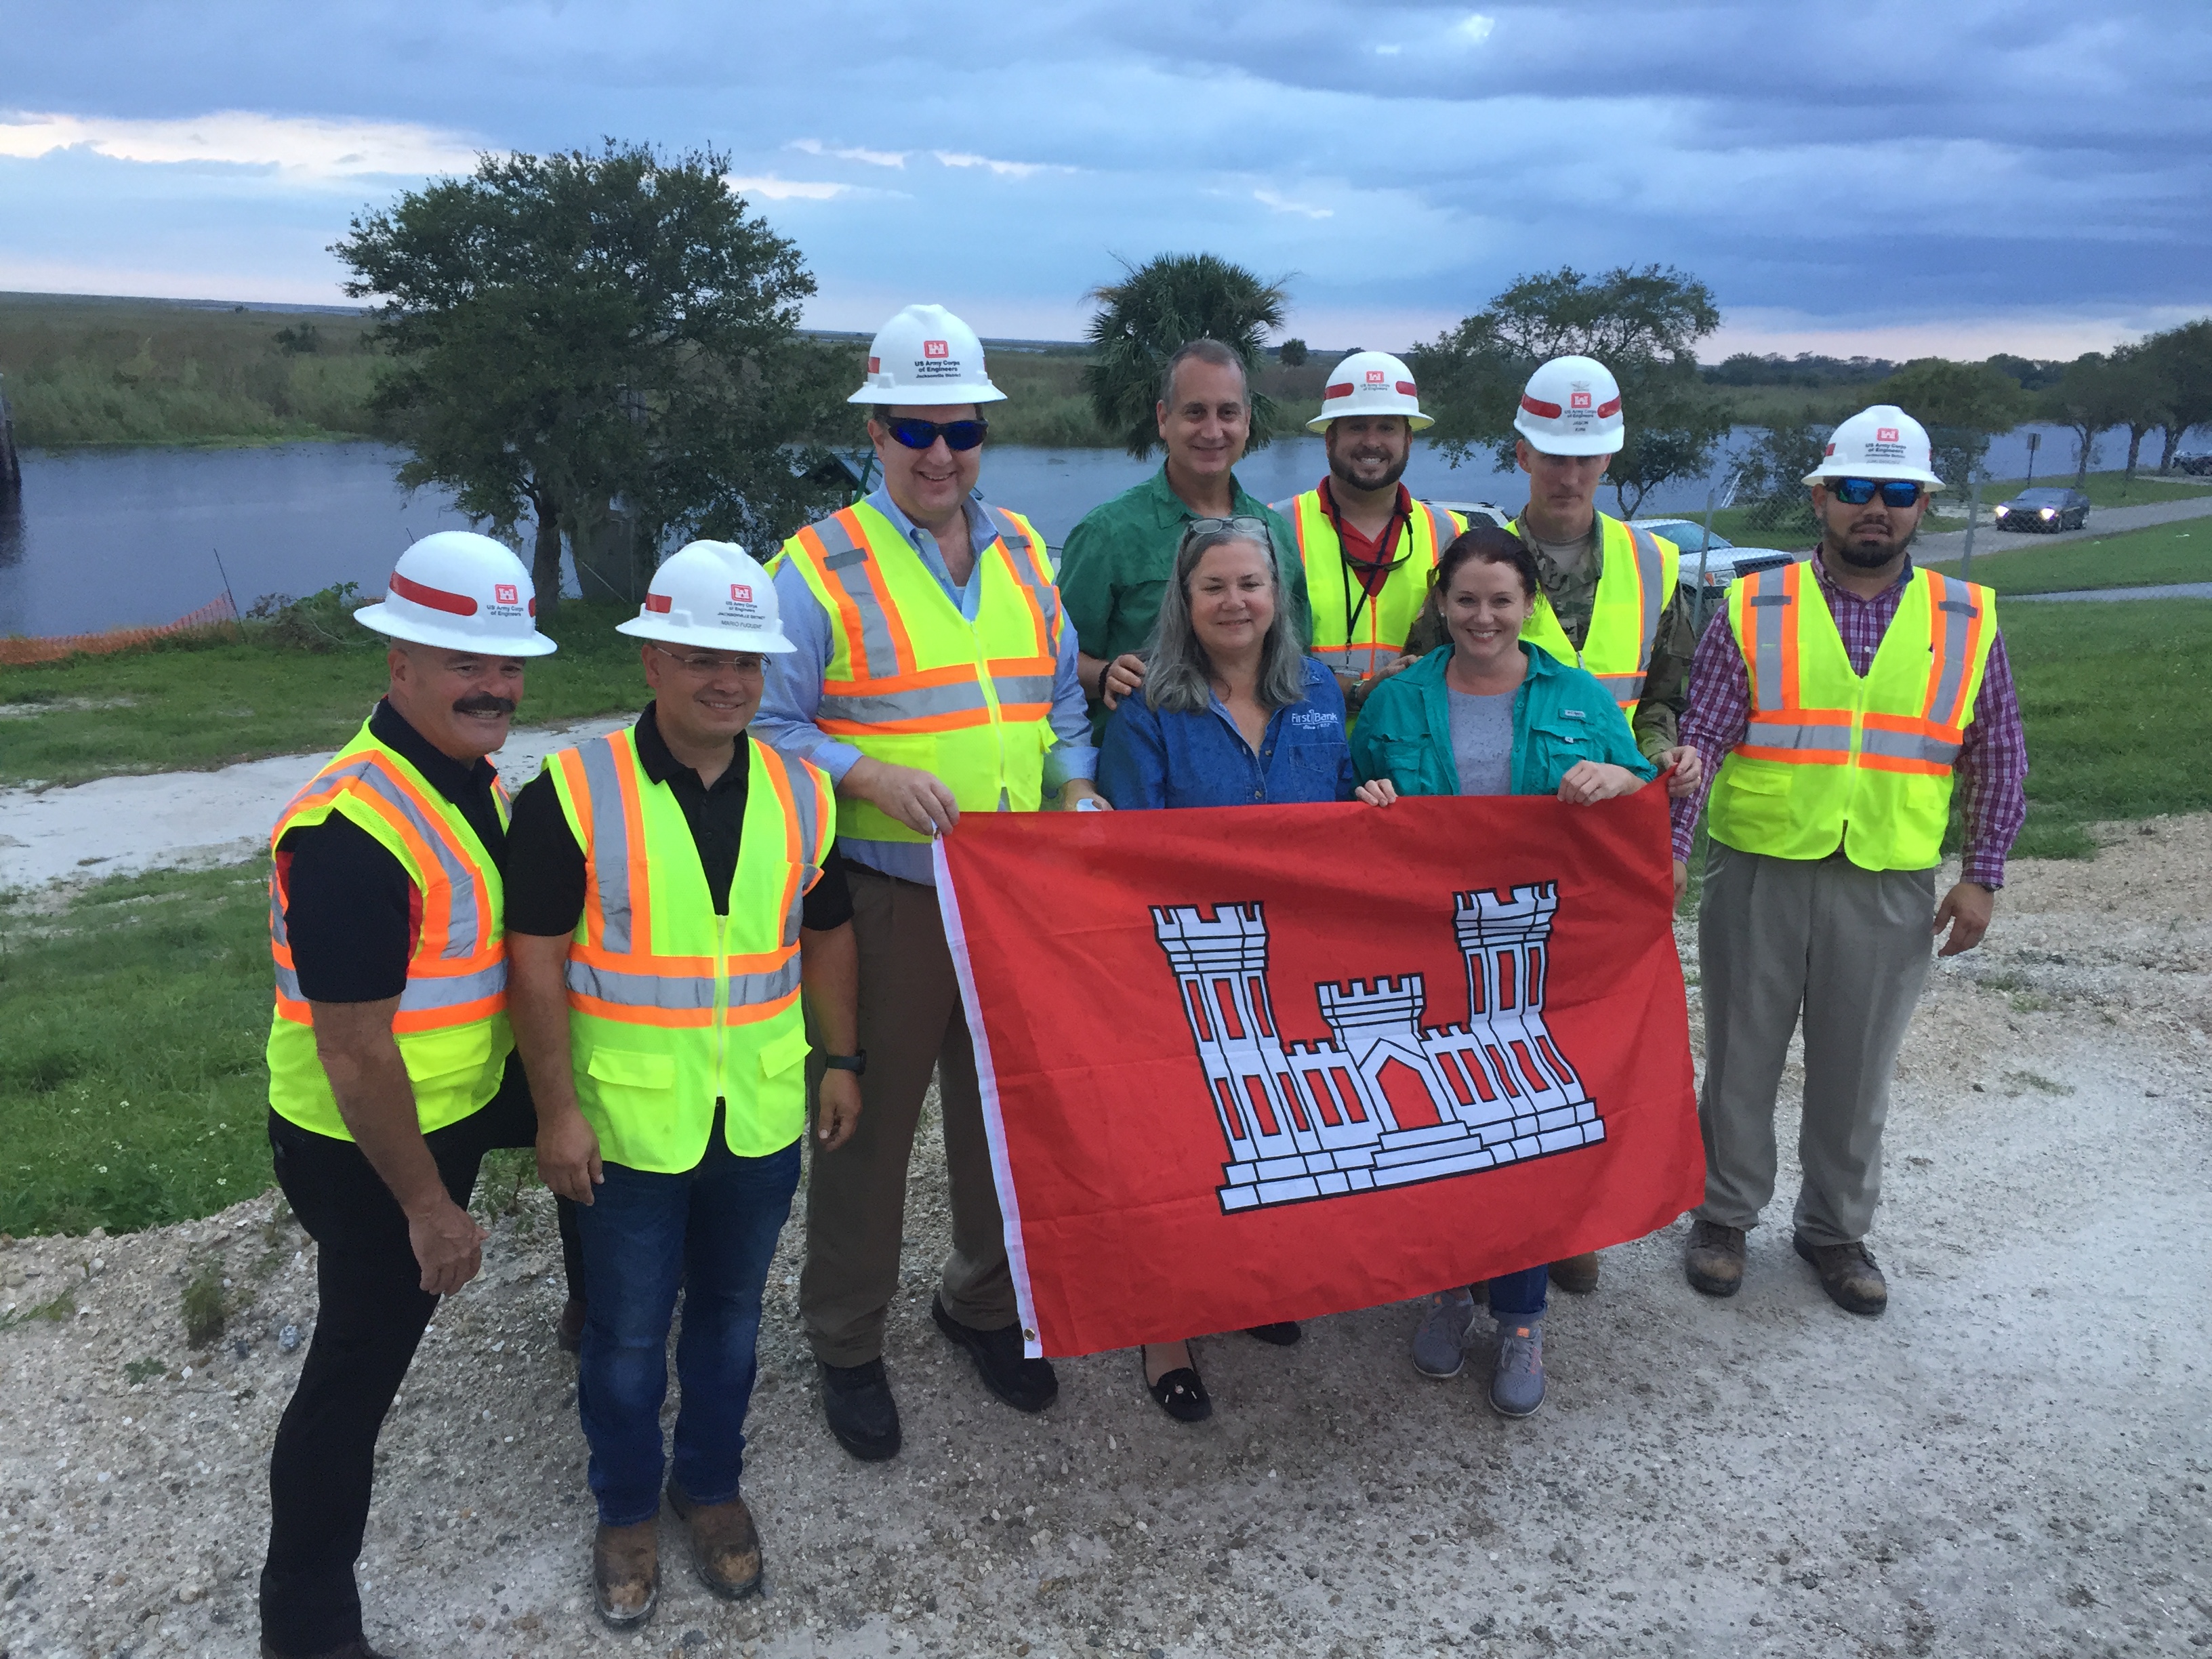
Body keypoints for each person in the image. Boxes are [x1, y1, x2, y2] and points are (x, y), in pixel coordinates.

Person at [754, 304, 1104, 1462]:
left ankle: (982, 1302)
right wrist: (863, 771)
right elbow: (764, 723)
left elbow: (1059, 697)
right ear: (874, 424)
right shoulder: (811, 568)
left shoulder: (1021, 551)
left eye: (962, 428)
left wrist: (1068, 785)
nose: (941, 452)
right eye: (915, 427)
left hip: (1015, 889)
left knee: (1001, 1117)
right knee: (865, 1125)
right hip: (888, 895)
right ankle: (847, 1340)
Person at [504, 543, 859, 1629]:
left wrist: (840, 1060)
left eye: (748, 663)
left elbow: (827, 935)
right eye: (703, 657)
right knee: (621, 1333)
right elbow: (533, 961)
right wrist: (555, 1111)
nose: (730, 683)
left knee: (733, 1318)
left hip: (753, 1114)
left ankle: (708, 1485)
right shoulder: (572, 790)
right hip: (625, 1125)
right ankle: (623, 1506)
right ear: (652, 660)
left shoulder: (803, 793)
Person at [258, 532, 562, 1659]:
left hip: (462, 1093)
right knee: (354, 1372)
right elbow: (354, 1054)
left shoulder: (462, 775)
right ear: (399, 662)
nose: (495, 685)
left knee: (609, 1121)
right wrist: (431, 1209)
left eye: (508, 663)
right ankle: (305, 1619)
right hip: (367, 1141)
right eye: (462, 662)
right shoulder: (351, 833)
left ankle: (590, 1311)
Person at [1668, 405, 2025, 1317]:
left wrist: (1981, 874)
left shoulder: (1966, 616)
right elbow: (1702, 735)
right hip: (1758, 869)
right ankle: (1723, 1214)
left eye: (1899, 493)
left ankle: (1835, 1230)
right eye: (1859, 490)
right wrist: (1672, 851)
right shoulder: (1756, 605)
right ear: (1822, 498)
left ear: (1921, 507)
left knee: (1857, 1065)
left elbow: (1998, 752)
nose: (1878, 508)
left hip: (1890, 875)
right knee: (1742, 1054)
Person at [1351, 525, 1676, 1418]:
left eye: (1501, 600)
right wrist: (1366, 802)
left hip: (1541, 957)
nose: (1483, 617)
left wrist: (1621, 777)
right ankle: (1451, 1290)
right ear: (1441, 605)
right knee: (1445, 1129)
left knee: (1525, 1133)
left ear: (1528, 603)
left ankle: (1523, 1314)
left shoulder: (1577, 698)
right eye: (1465, 601)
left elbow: (1643, 798)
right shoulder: (1393, 703)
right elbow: (1348, 824)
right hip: (1425, 952)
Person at [1404, 352, 1704, 1298]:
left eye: (1587, 456)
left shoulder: (1657, 565)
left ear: (1609, 459)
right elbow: (1426, 686)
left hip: (1598, 849)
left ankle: (1568, 1219)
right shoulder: (1470, 560)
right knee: (1478, 1040)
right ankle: (1471, 1226)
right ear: (1522, 451)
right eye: (1551, 453)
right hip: (1478, 852)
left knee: (1579, 1042)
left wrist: (1652, 761)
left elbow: (1667, 695)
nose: (1569, 473)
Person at [1097, 518, 1395, 1421]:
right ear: (1185, 604)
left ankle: (1250, 1288)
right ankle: (1166, 1325)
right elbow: (1127, 852)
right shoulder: (1149, 704)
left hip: (1294, 957)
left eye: (1251, 584)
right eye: (1214, 587)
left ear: (1278, 596)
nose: (1236, 602)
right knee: (1183, 1144)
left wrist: (1367, 805)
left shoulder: (1313, 694)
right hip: (1186, 959)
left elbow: (1335, 809)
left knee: (1272, 1122)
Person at [1057, 337, 1311, 735]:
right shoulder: (1106, 534)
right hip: (1135, 772)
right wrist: (1105, 673)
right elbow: (1056, 659)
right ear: (1163, 418)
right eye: (1195, 412)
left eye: (1227, 413)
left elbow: (1296, 658)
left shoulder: (1275, 533)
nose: (1213, 431)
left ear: (1246, 420)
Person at [1269, 351, 1465, 715]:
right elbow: (1251, 658)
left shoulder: (1452, 534)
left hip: (1412, 757)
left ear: (1409, 440)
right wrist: (1358, 691)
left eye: (1387, 427)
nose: (1372, 442)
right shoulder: (1274, 527)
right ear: (1330, 439)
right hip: (1305, 753)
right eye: (1357, 426)